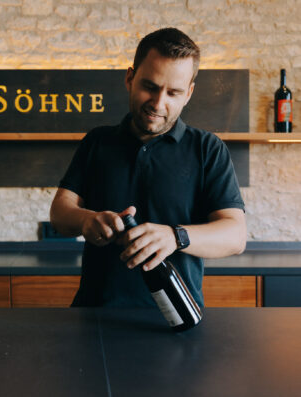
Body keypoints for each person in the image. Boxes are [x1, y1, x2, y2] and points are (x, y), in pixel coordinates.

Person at [50, 27, 246, 308]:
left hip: (175, 319)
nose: (158, 103)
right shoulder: (97, 142)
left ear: (189, 93)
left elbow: (235, 236)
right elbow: (59, 212)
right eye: (150, 87)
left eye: (173, 92)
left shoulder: (207, 149)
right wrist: (85, 220)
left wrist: (175, 236)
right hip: (95, 316)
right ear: (130, 78)